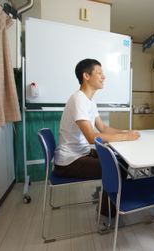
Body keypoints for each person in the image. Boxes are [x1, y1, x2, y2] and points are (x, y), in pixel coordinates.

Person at [54, 58, 140, 215]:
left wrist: (125, 133)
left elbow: (103, 127)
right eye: (99, 73)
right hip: (69, 161)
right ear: (86, 76)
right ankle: (108, 212)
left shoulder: (89, 102)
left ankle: (109, 199)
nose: (104, 77)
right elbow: (92, 137)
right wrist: (125, 137)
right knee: (115, 168)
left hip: (80, 153)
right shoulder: (78, 99)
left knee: (120, 161)